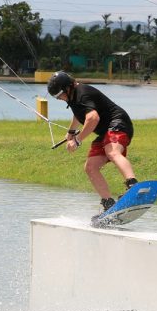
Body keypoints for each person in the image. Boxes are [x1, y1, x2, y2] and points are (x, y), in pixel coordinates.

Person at [47, 71, 139, 215]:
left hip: (119, 124)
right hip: (105, 133)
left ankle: (133, 185)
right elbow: (79, 114)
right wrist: (71, 132)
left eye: (59, 95)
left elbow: (92, 118)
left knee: (112, 152)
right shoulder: (73, 97)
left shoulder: (82, 93)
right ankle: (109, 204)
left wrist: (77, 140)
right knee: (90, 167)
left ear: (67, 88)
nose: (59, 99)